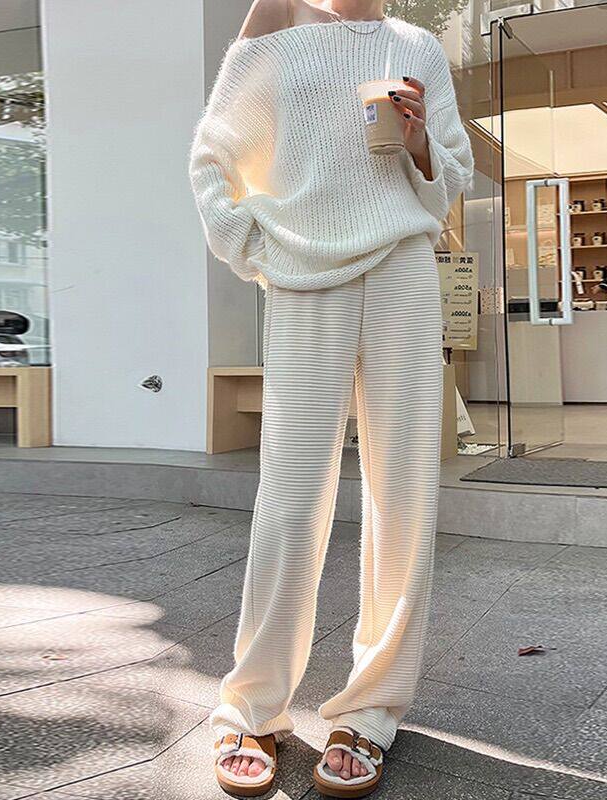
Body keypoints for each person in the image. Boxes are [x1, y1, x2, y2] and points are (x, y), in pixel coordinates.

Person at [187, 0, 474, 796]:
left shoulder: (416, 44)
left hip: (403, 267)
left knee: (404, 493)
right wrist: (250, 243)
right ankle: (253, 706)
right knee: (289, 496)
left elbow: (451, 176)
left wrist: (418, 142)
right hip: (303, 273)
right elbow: (214, 154)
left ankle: (372, 708)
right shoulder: (276, 23)